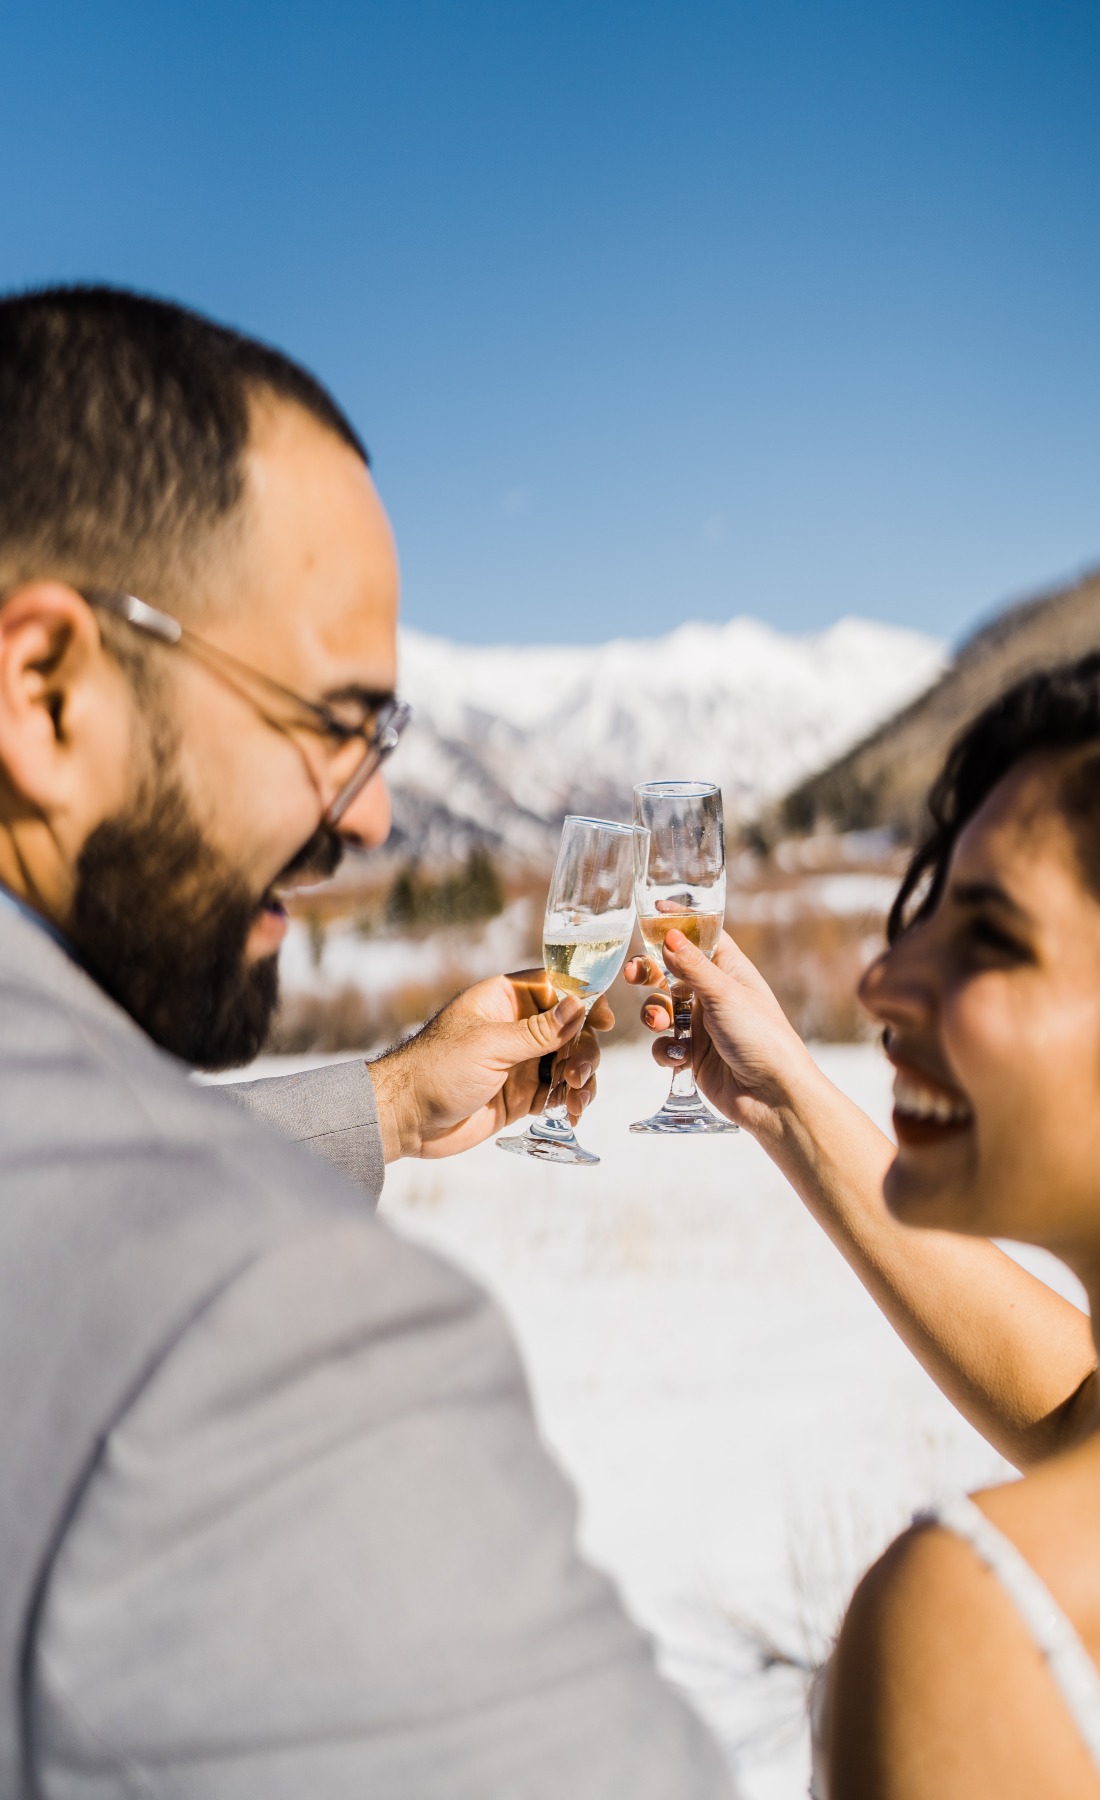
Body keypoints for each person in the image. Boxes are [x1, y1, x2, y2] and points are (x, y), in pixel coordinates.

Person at [0, 287, 736, 1797]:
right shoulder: (265, 1330)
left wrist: (390, 1102)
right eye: (332, 721)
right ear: (46, 692)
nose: (379, 813)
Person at [627, 647, 1100, 1797]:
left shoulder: (977, 1623)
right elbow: (1090, 1410)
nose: (884, 982)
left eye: (987, 938)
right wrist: (785, 1097)